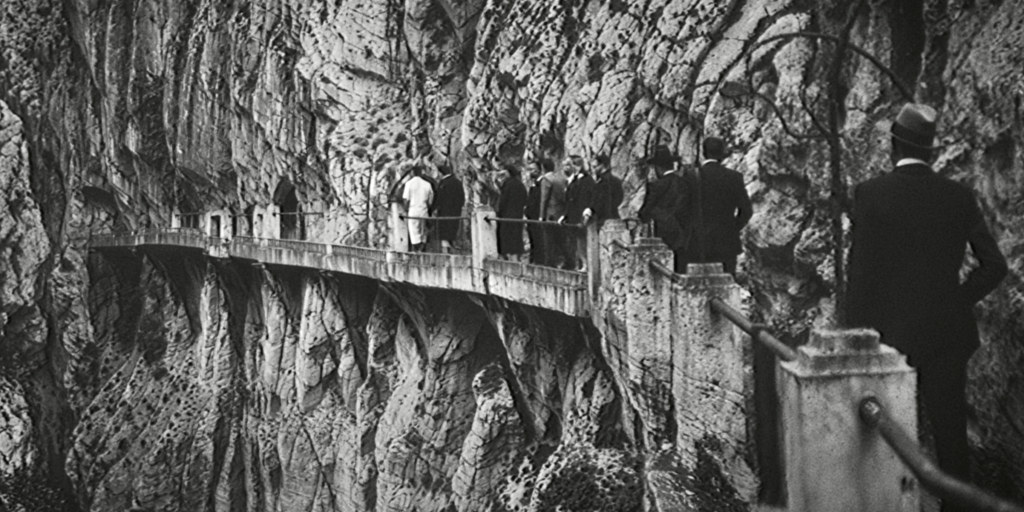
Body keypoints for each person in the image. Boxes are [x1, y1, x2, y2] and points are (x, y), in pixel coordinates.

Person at [846, 103, 1007, 512]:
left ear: (892, 143)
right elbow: (994, 267)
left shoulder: (870, 194)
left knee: (889, 430)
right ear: (932, 151)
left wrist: (856, 335)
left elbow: (861, 275)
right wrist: (956, 300)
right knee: (951, 434)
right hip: (945, 334)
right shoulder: (958, 196)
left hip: (890, 336)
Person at [683, 136, 752, 275]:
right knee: (725, 284)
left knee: (698, 286)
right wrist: (732, 227)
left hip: (698, 242)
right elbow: (746, 211)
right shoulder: (734, 177)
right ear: (722, 153)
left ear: (703, 153)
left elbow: (683, 209)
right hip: (726, 244)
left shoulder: (691, 176)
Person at [638, 145, 688, 272]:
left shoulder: (656, 186)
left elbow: (645, 213)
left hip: (663, 236)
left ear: (657, 168)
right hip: (685, 235)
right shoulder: (685, 183)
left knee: (664, 271)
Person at [561, 155, 595, 270]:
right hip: (573, 214)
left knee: (583, 240)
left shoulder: (587, 180)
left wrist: (587, 212)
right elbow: (568, 199)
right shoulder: (573, 180)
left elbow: (590, 198)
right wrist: (565, 215)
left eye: (570, 165)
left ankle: (587, 264)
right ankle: (580, 263)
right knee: (576, 240)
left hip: (582, 214)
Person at [538, 156, 568, 267]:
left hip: (550, 214)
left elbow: (544, 199)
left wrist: (541, 216)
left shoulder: (546, 179)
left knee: (549, 240)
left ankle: (550, 263)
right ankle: (566, 261)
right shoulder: (561, 178)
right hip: (560, 212)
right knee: (561, 239)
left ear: (542, 168)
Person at [495, 162, 529, 259]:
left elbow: (503, 202)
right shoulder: (520, 184)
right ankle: (516, 258)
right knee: (516, 237)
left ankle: (510, 258)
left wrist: (499, 212)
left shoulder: (508, 185)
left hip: (506, 216)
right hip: (518, 215)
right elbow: (525, 199)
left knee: (507, 239)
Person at [431, 162, 465, 253]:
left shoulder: (443, 183)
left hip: (444, 211)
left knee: (444, 230)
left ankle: (446, 250)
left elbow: (438, 198)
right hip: (456, 211)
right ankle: (451, 247)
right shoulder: (457, 182)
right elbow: (462, 197)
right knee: (453, 228)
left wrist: (432, 209)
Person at [401, 163, 434, 252]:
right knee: (423, 232)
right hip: (424, 210)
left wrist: (405, 210)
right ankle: (422, 249)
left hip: (413, 211)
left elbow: (406, 200)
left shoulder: (409, 184)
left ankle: (417, 251)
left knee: (414, 232)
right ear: (421, 173)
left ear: (412, 173)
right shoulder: (427, 184)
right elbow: (430, 200)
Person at [591, 154, 624, 223]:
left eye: (595, 167)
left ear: (603, 165)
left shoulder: (602, 182)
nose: (592, 169)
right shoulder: (616, 180)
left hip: (603, 219)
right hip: (613, 216)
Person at [525, 160, 546, 264]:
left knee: (539, 239)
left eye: (532, 169)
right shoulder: (533, 185)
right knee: (533, 238)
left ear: (539, 170)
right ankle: (534, 258)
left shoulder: (542, 184)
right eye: (529, 169)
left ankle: (539, 260)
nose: (530, 172)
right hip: (531, 218)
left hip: (538, 217)